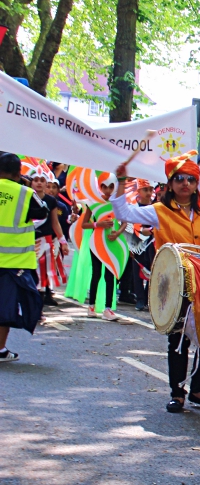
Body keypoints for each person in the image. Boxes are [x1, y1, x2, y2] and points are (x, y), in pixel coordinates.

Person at [112, 154, 200, 413]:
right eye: (179, 179)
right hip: (175, 285)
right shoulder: (158, 211)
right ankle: (177, 393)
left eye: (191, 179)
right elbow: (123, 212)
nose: (185, 184)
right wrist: (121, 182)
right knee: (178, 339)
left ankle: (198, 390)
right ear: (169, 183)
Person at [0, 152, 48, 362]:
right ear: (19, 172)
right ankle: (0, 349)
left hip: (12, 263)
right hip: (13, 263)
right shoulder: (24, 193)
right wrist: (27, 185)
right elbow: (43, 212)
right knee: (5, 309)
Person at [76, 177, 127, 321]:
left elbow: (124, 221)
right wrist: (98, 224)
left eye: (111, 186)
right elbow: (84, 224)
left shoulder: (117, 204)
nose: (108, 190)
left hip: (112, 242)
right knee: (97, 274)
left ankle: (108, 309)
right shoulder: (93, 203)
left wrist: (117, 233)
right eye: (105, 186)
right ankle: (91, 306)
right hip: (97, 242)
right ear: (100, 187)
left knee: (110, 275)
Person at [27, 164, 68, 307]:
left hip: (45, 241)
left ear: (46, 183)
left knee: (42, 275)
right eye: (36, 179)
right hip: (26, 240)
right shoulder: (25, 197)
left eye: (42, 180)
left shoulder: (51, 201)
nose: (39, 182)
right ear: (31, 182)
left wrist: (63, 241)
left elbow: (55, 222)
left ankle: (39, 309)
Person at [130, 179, 156, 311]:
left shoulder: (156, 208)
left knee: (153, 270)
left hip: (152, 243)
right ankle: (140, 299)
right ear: (139, 191)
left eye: (151, 190)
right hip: (137, 242)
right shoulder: (134, 208)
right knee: (137, 271)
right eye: (145, 189)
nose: (149, 192)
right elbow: (129, 226)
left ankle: (147, 297)